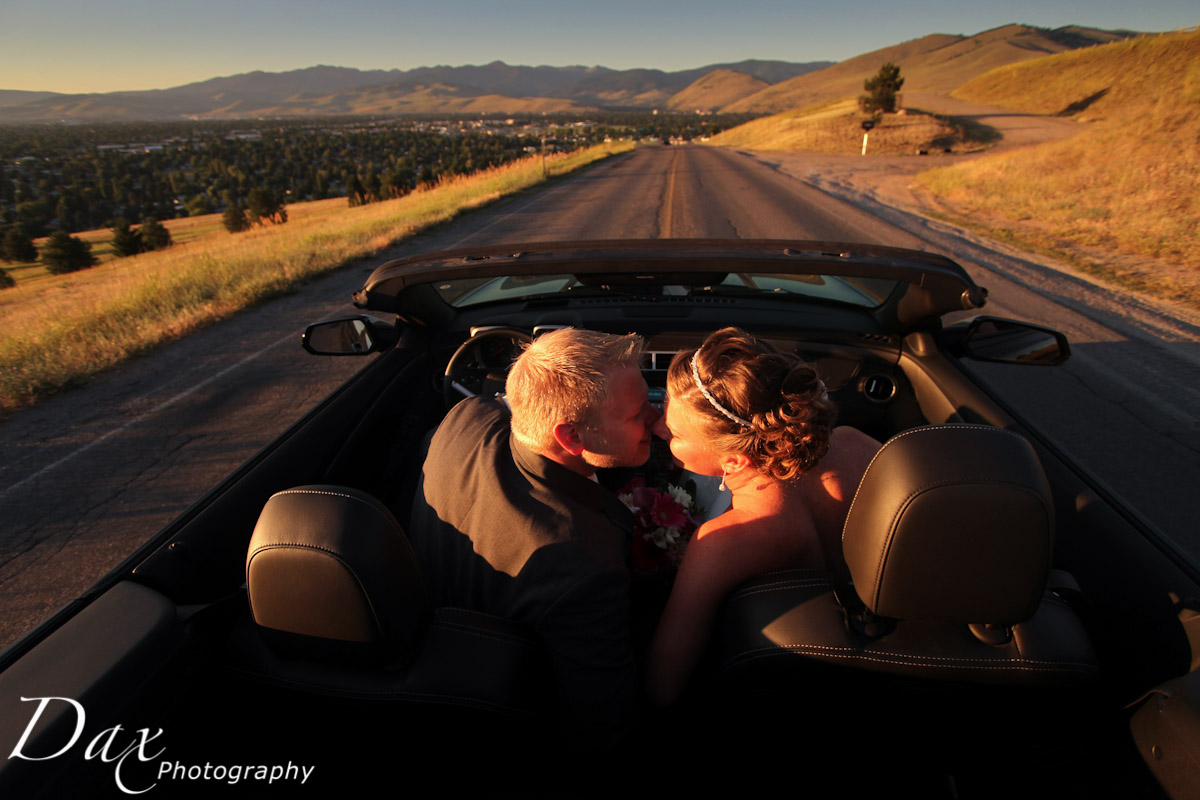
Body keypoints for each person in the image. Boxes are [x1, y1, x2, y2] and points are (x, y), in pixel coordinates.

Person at [406, 327, 659, 745]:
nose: (657, 416)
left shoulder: (464, 417)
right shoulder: (580, 567)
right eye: (637, 414)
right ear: (571, 436)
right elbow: (607, 726)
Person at [646, 327, 881, 706]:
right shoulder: (858, 446)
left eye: (672, 432)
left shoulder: (725, 542)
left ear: (734, 461)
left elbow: (665, 679)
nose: (658, 428)